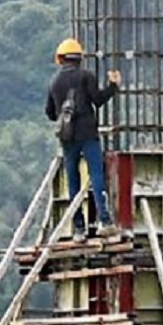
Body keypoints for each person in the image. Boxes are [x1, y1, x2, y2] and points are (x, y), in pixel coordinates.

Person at [45, 37, 123, 240]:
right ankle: (105, 221)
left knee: (73, 180)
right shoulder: (86, 76)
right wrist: (113, 86)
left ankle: (78, 228)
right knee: (96, 175)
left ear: (60, 59)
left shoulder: (54, 82)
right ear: (79, 58)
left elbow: (50, 113)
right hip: (88, 134)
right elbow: (98, 99)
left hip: (68, 137)